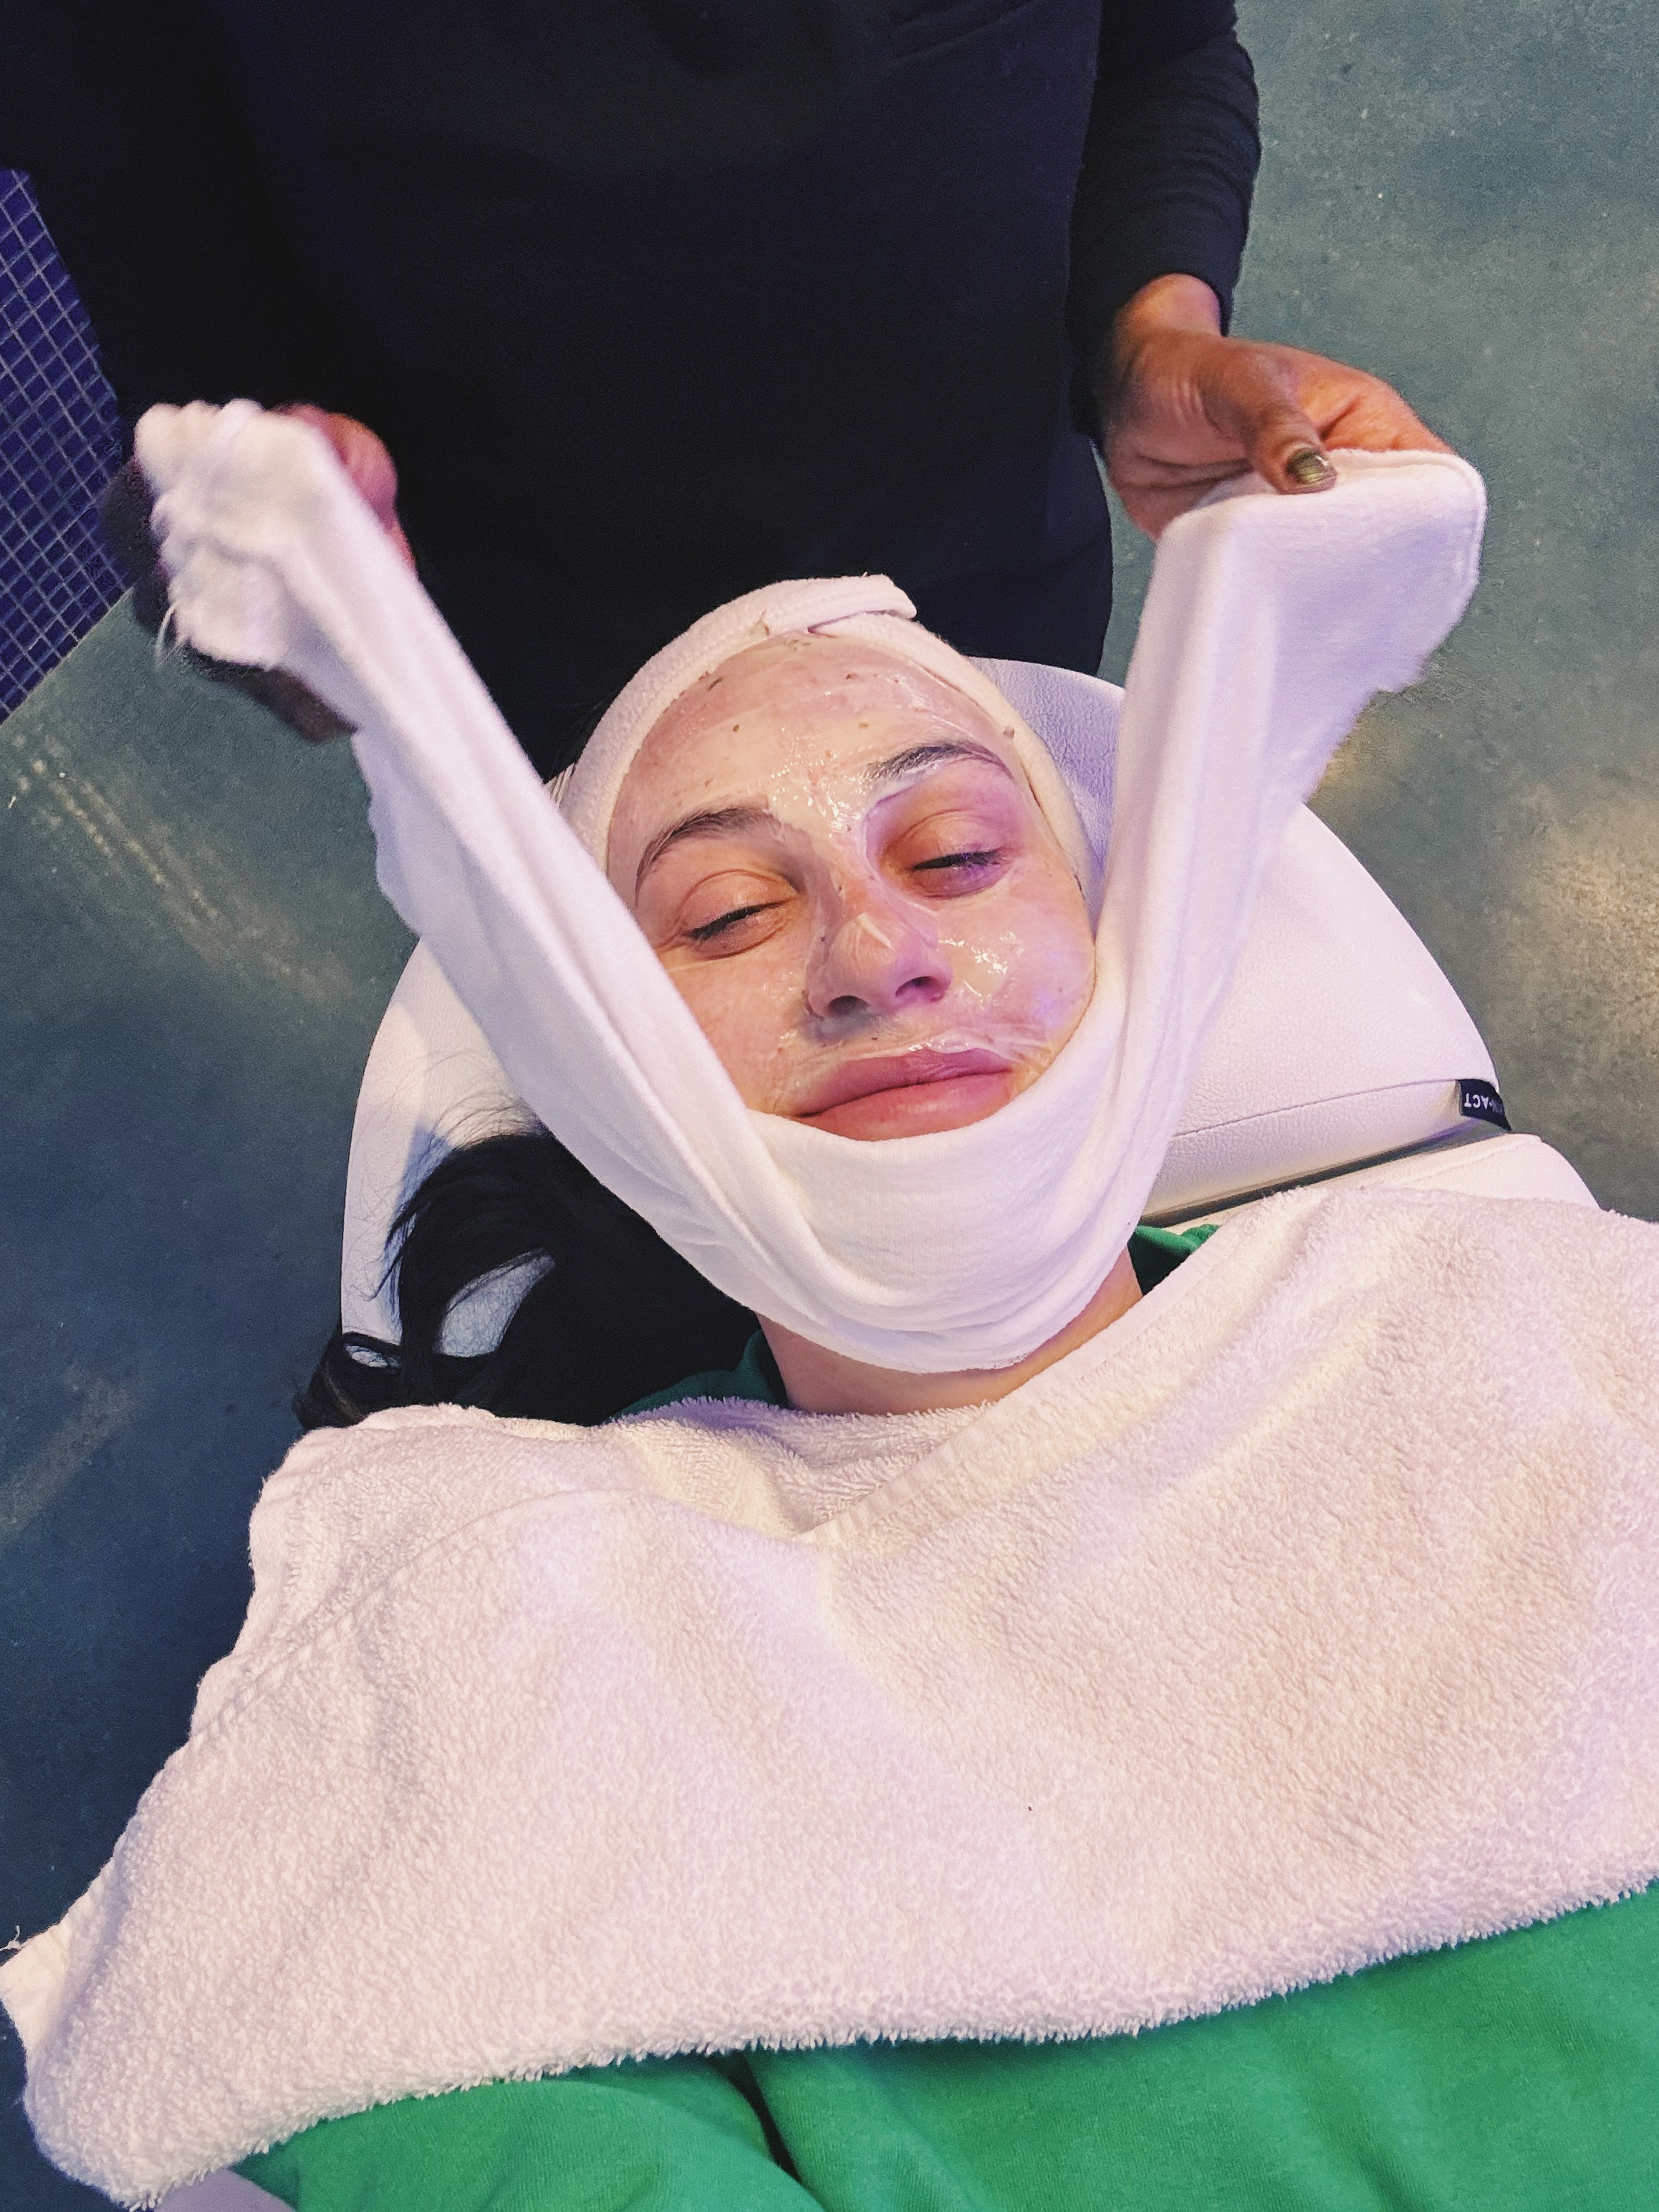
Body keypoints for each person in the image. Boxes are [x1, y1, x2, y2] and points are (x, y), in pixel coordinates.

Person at [9, 438, 1657, 2206]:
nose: (876, 954)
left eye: (956, 851)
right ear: (600, 1057)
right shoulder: (513, 1611)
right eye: (728, 911)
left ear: (1120, 930)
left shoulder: (1530, 1326)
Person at [6, 0, 1444, 774]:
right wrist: (261, 549)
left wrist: (1150, 331)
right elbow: (199, 360)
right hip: (564, 707)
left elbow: (1164, 52)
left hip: (997, 599)